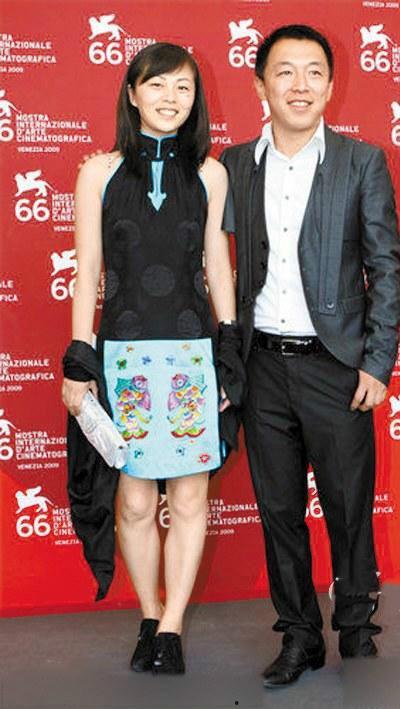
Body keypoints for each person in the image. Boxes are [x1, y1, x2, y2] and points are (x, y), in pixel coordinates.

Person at [220, 25, 400, 688]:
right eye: (285, 72)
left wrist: (376, 362)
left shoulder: (362, 162)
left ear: (330, 84)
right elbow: (211, 264)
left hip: (336, 366)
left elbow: (386, 268)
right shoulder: (233, 166)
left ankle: (355, 625)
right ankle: (299, 634)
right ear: (260, 85)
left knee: (348, 506)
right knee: (278, 511)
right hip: (262, 366)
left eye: (314, 72)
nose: (300, 86)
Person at [62, 42, 241, 676]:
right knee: (135, 503)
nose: (171, 97)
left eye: (184, 87)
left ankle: (171, 628)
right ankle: (148, 612)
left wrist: (229, 349)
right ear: (132, 94)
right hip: (124, 357)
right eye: (158, 85)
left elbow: (217, 266)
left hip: (192, 357)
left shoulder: (211, 174)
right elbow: (87, 271)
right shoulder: (98, 173)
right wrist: (79, 358)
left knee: (189, 500)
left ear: (196, 100)